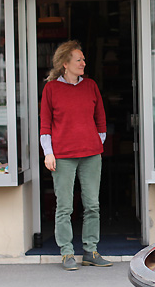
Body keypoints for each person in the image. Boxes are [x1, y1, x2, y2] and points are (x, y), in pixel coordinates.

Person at [40, 40, 112, 271]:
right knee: (65, 207)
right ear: (65, 64)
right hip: (62, 156)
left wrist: (94, 142)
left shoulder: (90, 86)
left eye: (83, 59)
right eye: (78, 59)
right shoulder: (51, 89)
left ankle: (90, 250)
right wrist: (48, 153)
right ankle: (67, 252)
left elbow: (101, 121)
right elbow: (45, 125)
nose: (83, 63)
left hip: (91, 155)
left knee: (92, 204)